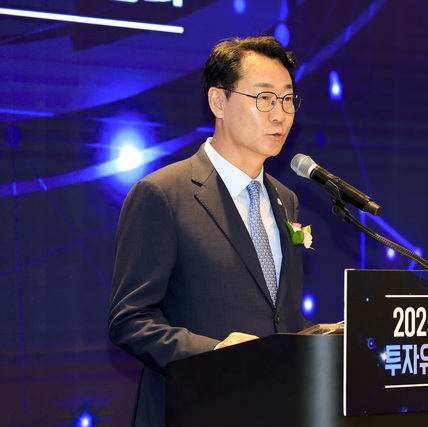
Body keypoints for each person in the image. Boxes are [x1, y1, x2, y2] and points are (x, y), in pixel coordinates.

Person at [108, 35, 312, 426]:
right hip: (196, 408)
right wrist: (216, 352)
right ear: (218, 101)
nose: (280, 114)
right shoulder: (164, 194)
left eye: (288, 99)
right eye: (265, 98)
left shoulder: (285, 200)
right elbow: (129, 319)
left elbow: (278, 318)